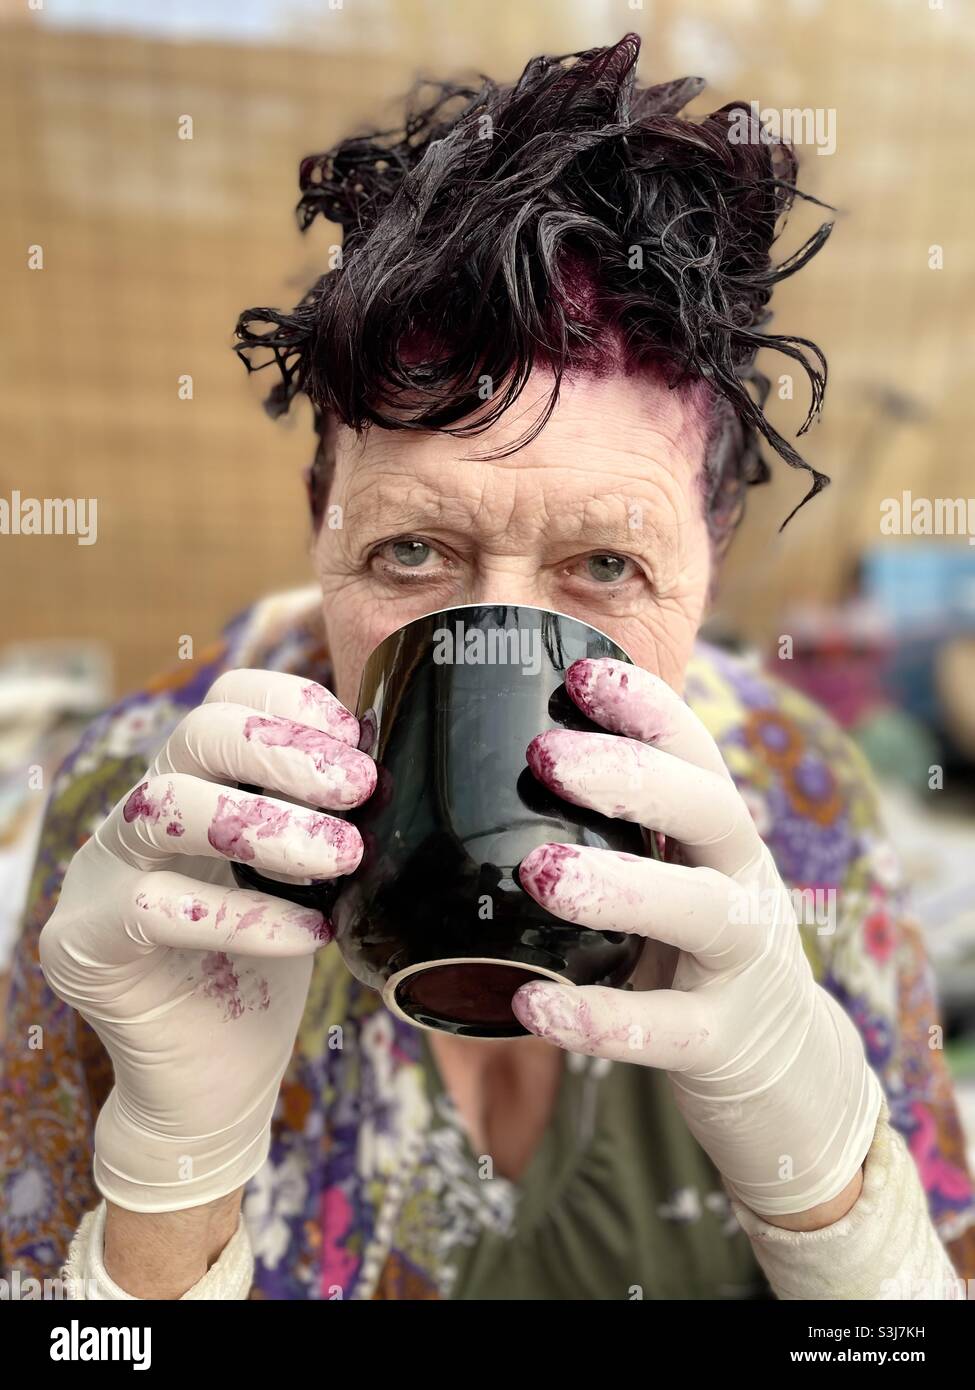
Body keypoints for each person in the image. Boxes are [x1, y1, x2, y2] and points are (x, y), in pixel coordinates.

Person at [3, 34, 973, 1301]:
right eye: (412, 548)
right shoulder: (139, 827)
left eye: (607, 569)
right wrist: (168, 1185)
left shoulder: (801, 803)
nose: (500, 645)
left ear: (712, 566)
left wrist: (832, 1206)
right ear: (322, 524)